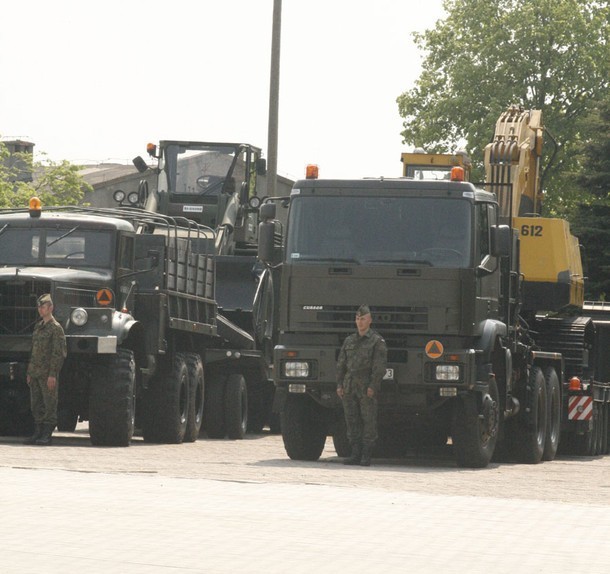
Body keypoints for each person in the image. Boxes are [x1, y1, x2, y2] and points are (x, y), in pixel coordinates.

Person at [336, 304, 387, 466]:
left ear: (370, 320)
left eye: (363, 319)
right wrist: (339, 384)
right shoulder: (349, 340)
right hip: (349, 386)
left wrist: (373, 385)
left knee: (368, 420)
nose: (360, 322)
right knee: (352, 420)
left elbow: (379, 367)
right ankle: (355, 453)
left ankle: (366, 454)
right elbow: (341, 364)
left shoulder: (376, 341)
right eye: (358, 319)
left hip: (366, 387)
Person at [23, 294, 67, 446]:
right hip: (35, 373)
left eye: (43, 307)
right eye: (39, 307)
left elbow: (58, 353)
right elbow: (34, 351)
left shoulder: (56, 329)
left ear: (51, 308)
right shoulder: (38, 326)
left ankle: (47, 434)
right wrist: (29, 372)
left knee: (49, 403)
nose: (40, 310)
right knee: (36, 403)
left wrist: (53, 374)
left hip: (47, 374)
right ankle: (38, 432)